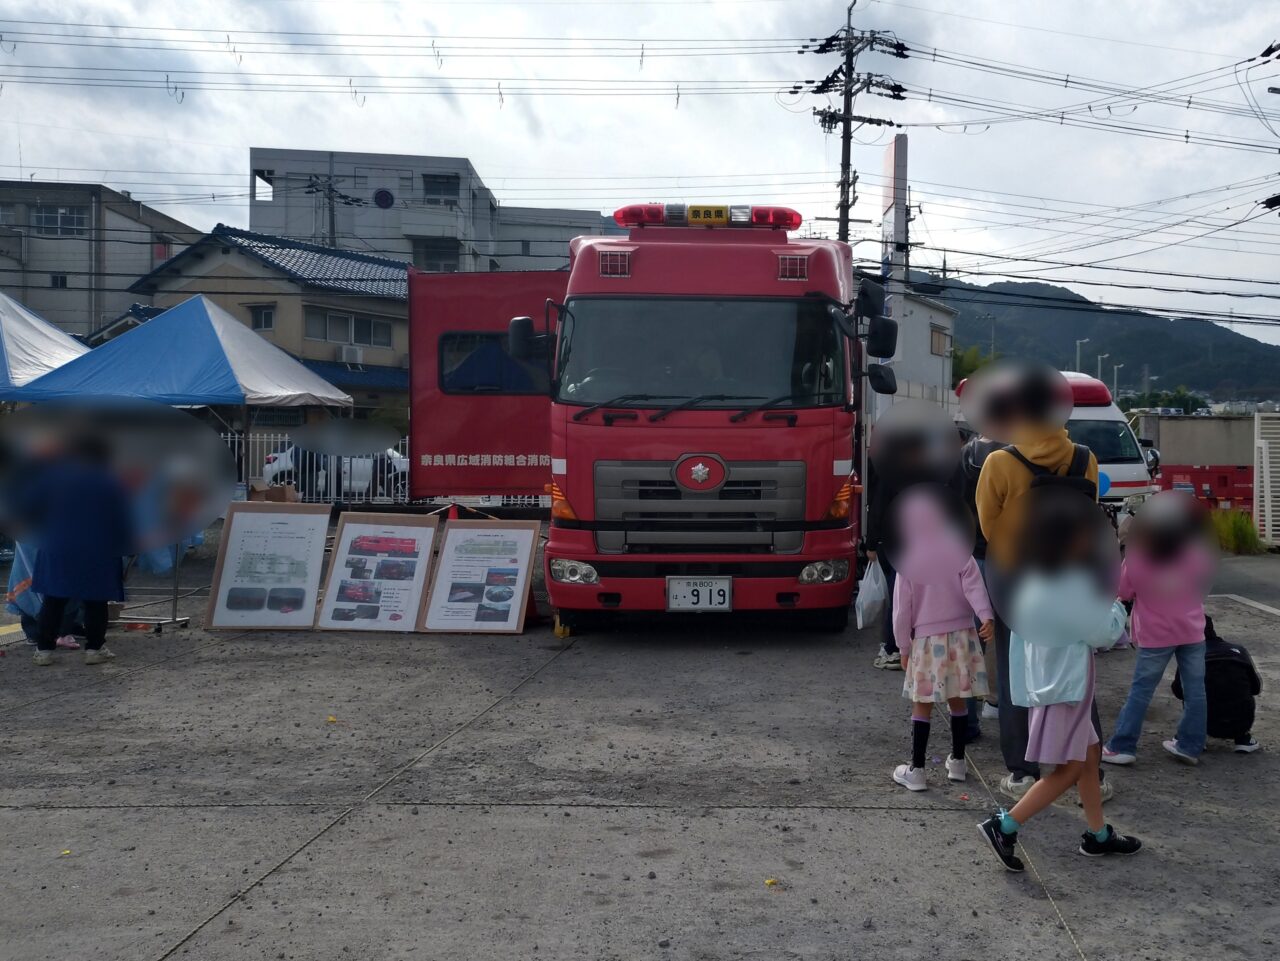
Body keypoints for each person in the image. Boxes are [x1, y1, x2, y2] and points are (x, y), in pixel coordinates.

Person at [978, 508, 1141, 872]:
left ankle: (1098, 835)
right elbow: (1104, 632)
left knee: (1090, 754)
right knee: (1068, 769)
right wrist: (1118, 604)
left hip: (1047, 682)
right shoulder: (1075, 583)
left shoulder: (1034, 578)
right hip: (1067, 685)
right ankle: (1005, 826)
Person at [974, 374, 1113, 802]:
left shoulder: (1000, 462)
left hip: (1016, 578)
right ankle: (1092, 771)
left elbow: (988, 525)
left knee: (1016, 672)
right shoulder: (1084, 458)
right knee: (1076, 670)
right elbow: (1086, 516)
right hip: (1070, 574)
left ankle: (1022, 772)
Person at [889, 489, 994, 791]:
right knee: (958, 698)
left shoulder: (908, 557)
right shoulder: (958, 549)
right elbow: (974, 585)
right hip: (962, 634)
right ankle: (958, 762)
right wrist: (985, 616)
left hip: (925, 640)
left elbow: (902, 608)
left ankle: (917, 770)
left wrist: (903, 647)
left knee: (922, 704)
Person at [1102, 500, 1212, 767]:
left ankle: (1123, 745)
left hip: (1156, 633)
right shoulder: (1194, 552)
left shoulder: (1139, 557)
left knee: (1142, 689)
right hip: (1192, 629)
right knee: (1196, 690)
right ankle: (1190, 744)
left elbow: (1124, 591)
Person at [25, 434, 132, 667]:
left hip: (58, 546)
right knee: (96, 601)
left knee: (53, 600)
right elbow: (121, 519)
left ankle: (44, 651)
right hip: (99, 549)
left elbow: (30, 509)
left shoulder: (51, 476)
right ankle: (94, 649)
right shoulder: (110, 481)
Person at [1172, 615, 1261, 754]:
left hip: (1208, 724)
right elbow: (1256, 688)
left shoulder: (1190, 656)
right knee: (1238, 689)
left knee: (1192, 691)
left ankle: (1194, 736)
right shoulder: (1238, 650)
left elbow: (1178, 691)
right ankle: (1243, 739)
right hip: (1241, 722)